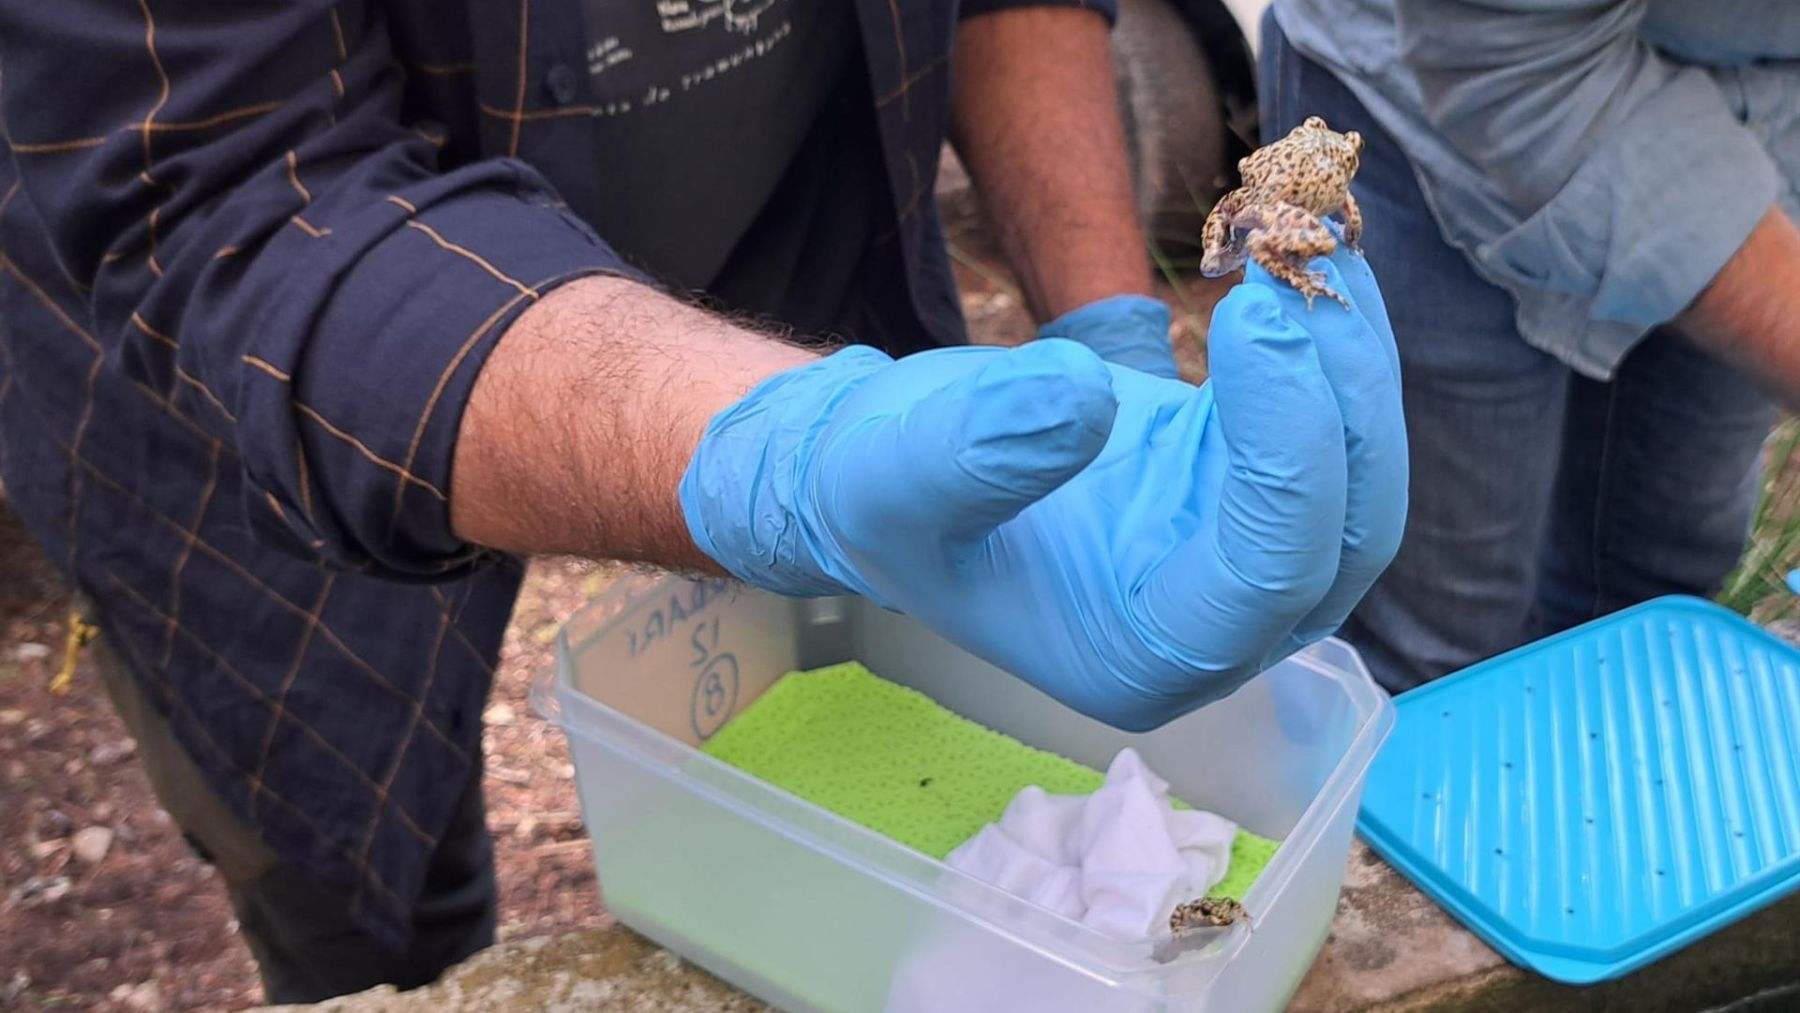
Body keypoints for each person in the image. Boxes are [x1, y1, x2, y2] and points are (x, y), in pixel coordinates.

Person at [0, 0, 1404, 1003]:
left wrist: (1105, 322)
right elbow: (231, 182)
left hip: (780, 268)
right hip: (259, 372)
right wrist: (773, 446)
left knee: (901, 591)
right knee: (353, 857)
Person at [1263, 0, 1800, 693]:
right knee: (1437, 642)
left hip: (1769, 110)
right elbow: (1509, 55)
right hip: (1439, 87)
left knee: (1662, 603)